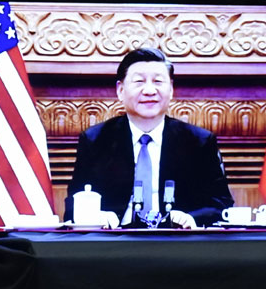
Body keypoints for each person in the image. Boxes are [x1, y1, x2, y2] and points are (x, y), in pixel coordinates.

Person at [64, 47, 233, 229]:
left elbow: (222, 204)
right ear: (120, 90)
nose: (150, 90)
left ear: (171, 90)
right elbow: (73, 205)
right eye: (139, 81)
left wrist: (191, 219)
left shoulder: (199, 141)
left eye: (158, 81)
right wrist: (99, 217)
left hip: (177, 240)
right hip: (115, 240)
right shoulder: (96, 140)